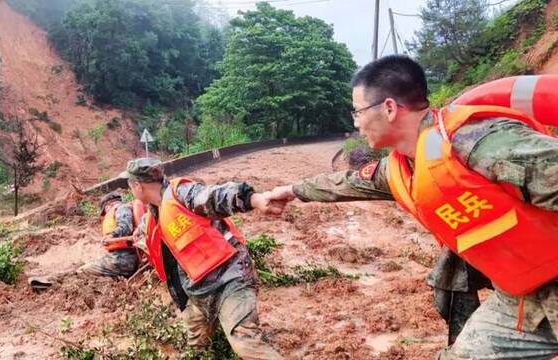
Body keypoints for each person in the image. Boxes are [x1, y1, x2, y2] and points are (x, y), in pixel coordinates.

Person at [267, 55, 558, 359]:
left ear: (389, 108)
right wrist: (290, 191)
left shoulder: (476, 141)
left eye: (358, 112)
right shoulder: (403, 166)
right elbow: (348, 182)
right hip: (524, 302)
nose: (355, 122)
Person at [121, 158, 284, 359]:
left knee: (245, 343)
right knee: (196, 347)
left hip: (229, 280)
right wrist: (139, 231)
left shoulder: (180, 194)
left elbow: (214, 196)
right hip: (197, 290)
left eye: (129, 185)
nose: (130, 191)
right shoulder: (154, 209)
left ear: (138, 185)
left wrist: (253, 199)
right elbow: (152, 225)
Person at [78, 192, 145, 278]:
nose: (105, 214)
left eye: (105, 211)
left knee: (82, 270)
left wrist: (112, 235)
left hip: (123, 260)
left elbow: (126, 226)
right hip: (120, 258)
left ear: (108, 205)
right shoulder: (120, 210)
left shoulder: (121, 208)